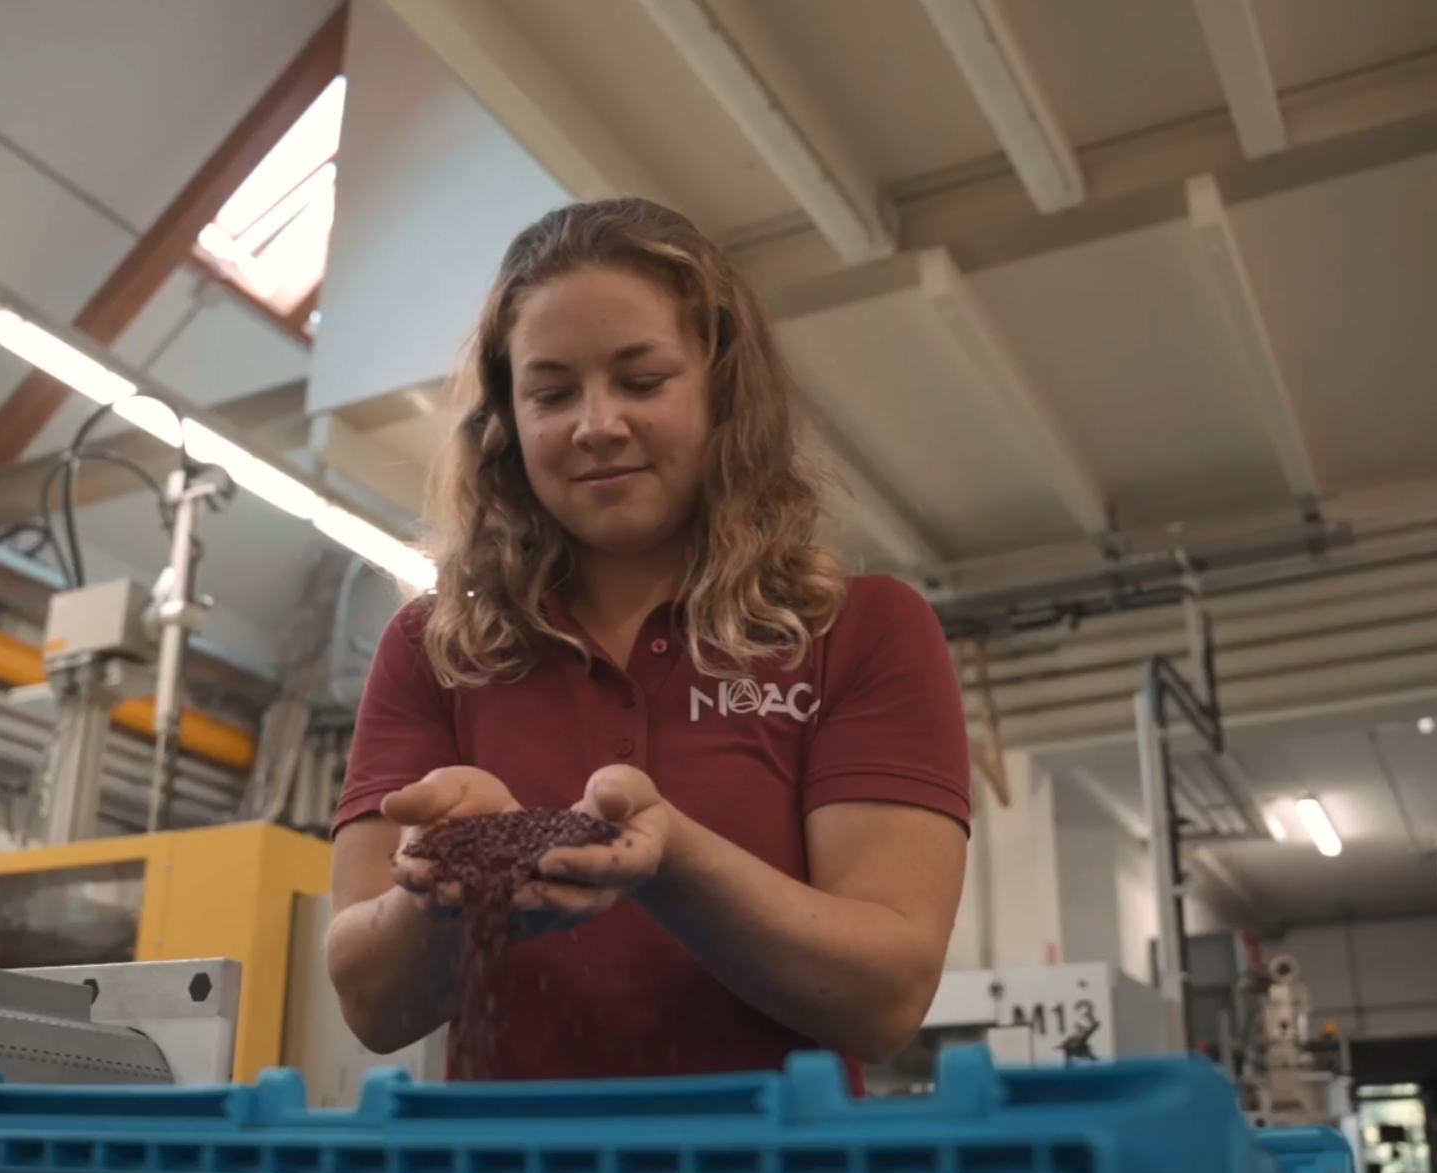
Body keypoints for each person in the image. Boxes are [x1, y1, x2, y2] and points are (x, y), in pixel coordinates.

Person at [325, 197, 971, 1083]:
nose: (596, 424)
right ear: (508, 421)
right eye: (552, 393)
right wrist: (455, 877)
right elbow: (368, 1003)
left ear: (720, 390)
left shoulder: (860, 630)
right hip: (508, 1164)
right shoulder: (431, 646)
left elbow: (885, 996)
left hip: (774, 1165)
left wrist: (673, 858)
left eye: (641, 380)